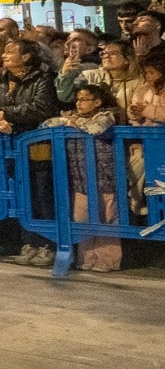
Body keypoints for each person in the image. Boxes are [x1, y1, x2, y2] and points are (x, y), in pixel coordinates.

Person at [0, 36, 59, 265]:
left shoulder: (43, 78)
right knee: (23, 196)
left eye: (9, 52)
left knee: (44, 193)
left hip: (39, 145)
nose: (4, 55)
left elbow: (42, 107)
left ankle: (50, 244)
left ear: (25, 57)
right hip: (10, 147)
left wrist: (6, 114)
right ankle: (29, 242)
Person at [42, 84, 123, 272]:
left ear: (97, 102)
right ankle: (86, 258)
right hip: (80, 178)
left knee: (107, 217)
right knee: (81, 217)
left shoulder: (107, 115)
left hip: (104, 177)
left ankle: (106, 260)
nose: (78, 103)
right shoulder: (72, 117)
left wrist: (71, 122)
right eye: (77, 99)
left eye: (84, 99)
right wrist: (67, 120)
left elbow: (95, 128)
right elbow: (45, 124)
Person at [80, 39, 143, 121]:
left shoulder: (138, 81)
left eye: (113, 53)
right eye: (104, 53)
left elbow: (138, 112)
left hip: (127, 130)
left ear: (127, 59)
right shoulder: (91, 76)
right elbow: (66, 96)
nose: (106, 56)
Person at [54, 29, 103, 107]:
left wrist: (66, 73)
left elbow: (65, 96)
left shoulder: (89, 68)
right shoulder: (67, 63)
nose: (67, 43)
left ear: (89, 49)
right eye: (68, 39)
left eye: (76, 40)